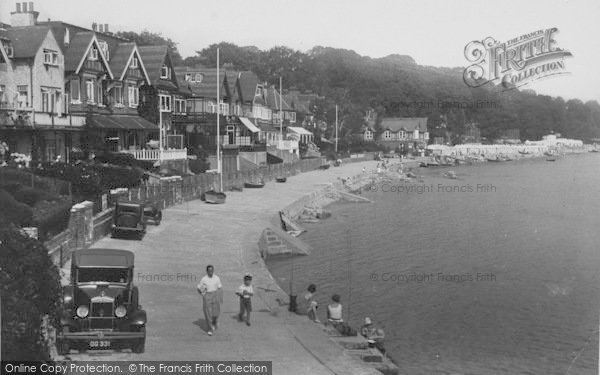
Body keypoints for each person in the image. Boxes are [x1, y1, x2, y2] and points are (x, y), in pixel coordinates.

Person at [197, 265, 223, 336]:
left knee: (216, 312)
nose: (210, 272)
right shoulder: (204, 279)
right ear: (207, 271)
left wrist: (221, 298)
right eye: (209, 271)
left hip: (215, 295)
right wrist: (202, 294)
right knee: (208, 313)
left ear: (213, 271)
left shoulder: (217, 278)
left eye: (212, 270)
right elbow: (199, 287)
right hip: (207, 295)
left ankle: (214, 322)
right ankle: (210, 329)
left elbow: (220, 288)